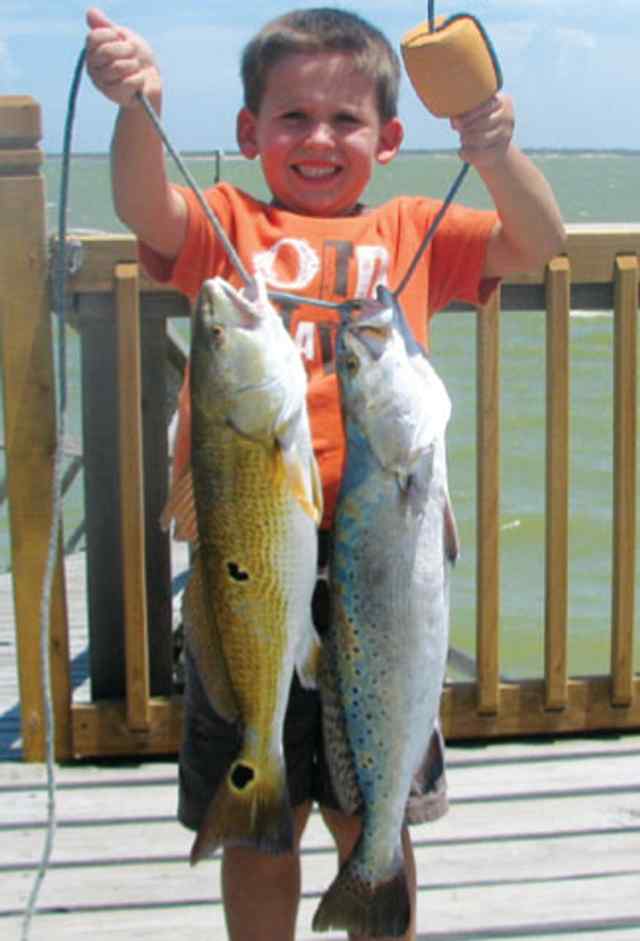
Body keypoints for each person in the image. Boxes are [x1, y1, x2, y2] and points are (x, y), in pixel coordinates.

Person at [85, 7, 565, 940]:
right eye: (292, 117)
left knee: (368, 804)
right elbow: (147, 207)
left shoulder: (413, 227)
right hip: (253, 567)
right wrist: (137, 108)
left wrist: (498, 152)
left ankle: (379, 907)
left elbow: (533, 240)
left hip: (382, 571)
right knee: (262, 827)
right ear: (247, 133)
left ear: (388, 140)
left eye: (345, 120)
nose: (318, 138)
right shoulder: (226, 227)